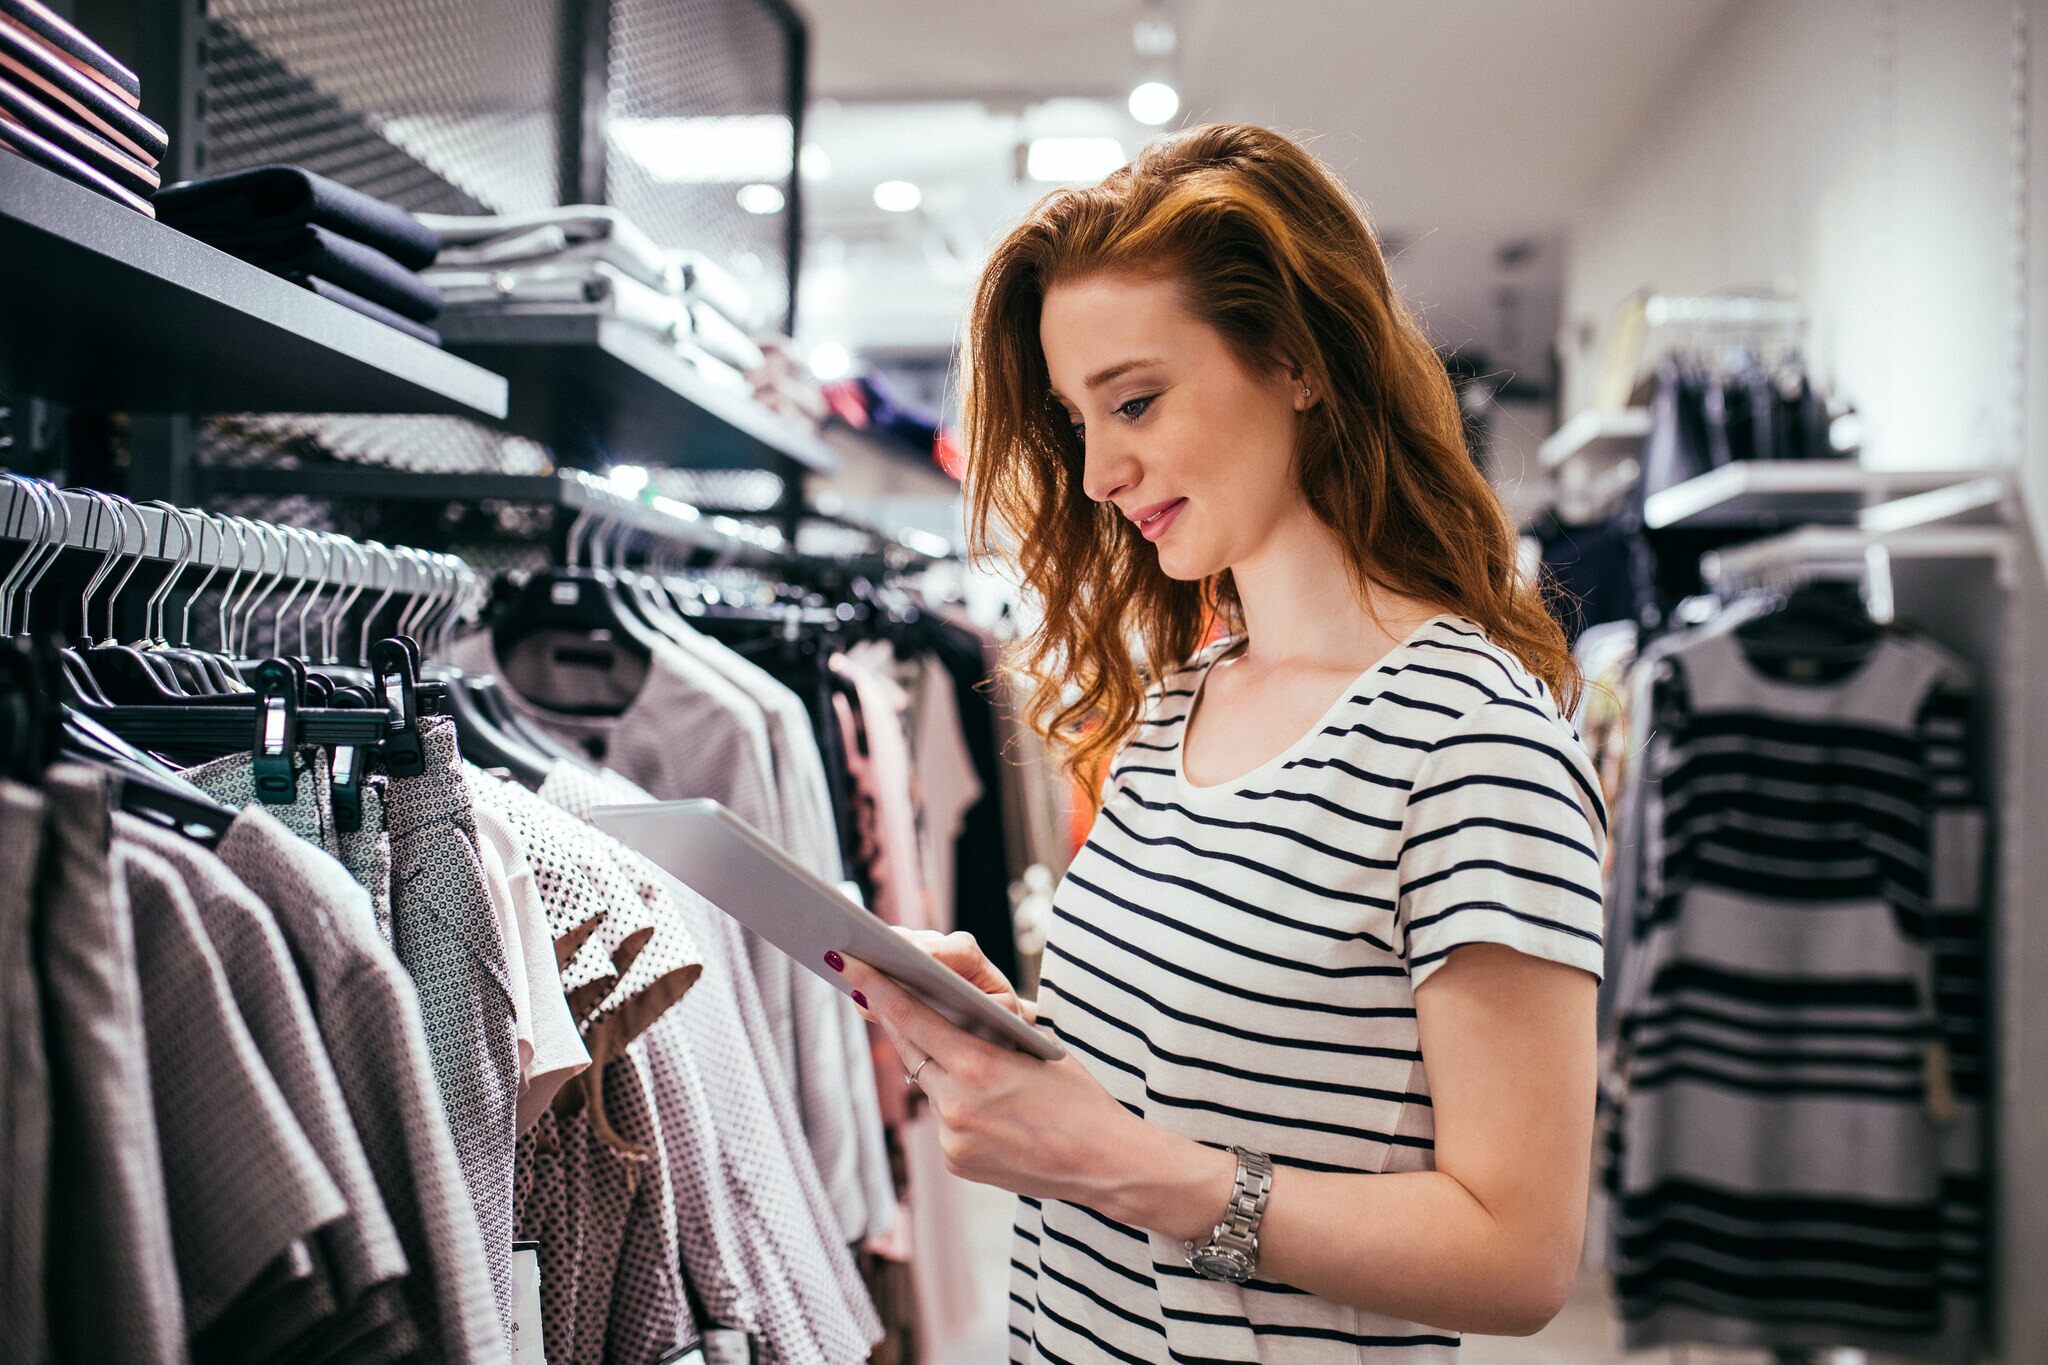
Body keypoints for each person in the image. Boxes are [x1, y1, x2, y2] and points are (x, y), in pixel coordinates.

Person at [832, 122, 1607, 1363]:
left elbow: (1515, 1258)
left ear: (1297, 362)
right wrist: (1027, 1045)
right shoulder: (1176, 706)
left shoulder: (1472, 747)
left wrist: (1127, 1168)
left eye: (1133, 401)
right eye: (1075, 422)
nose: (1096, 472)